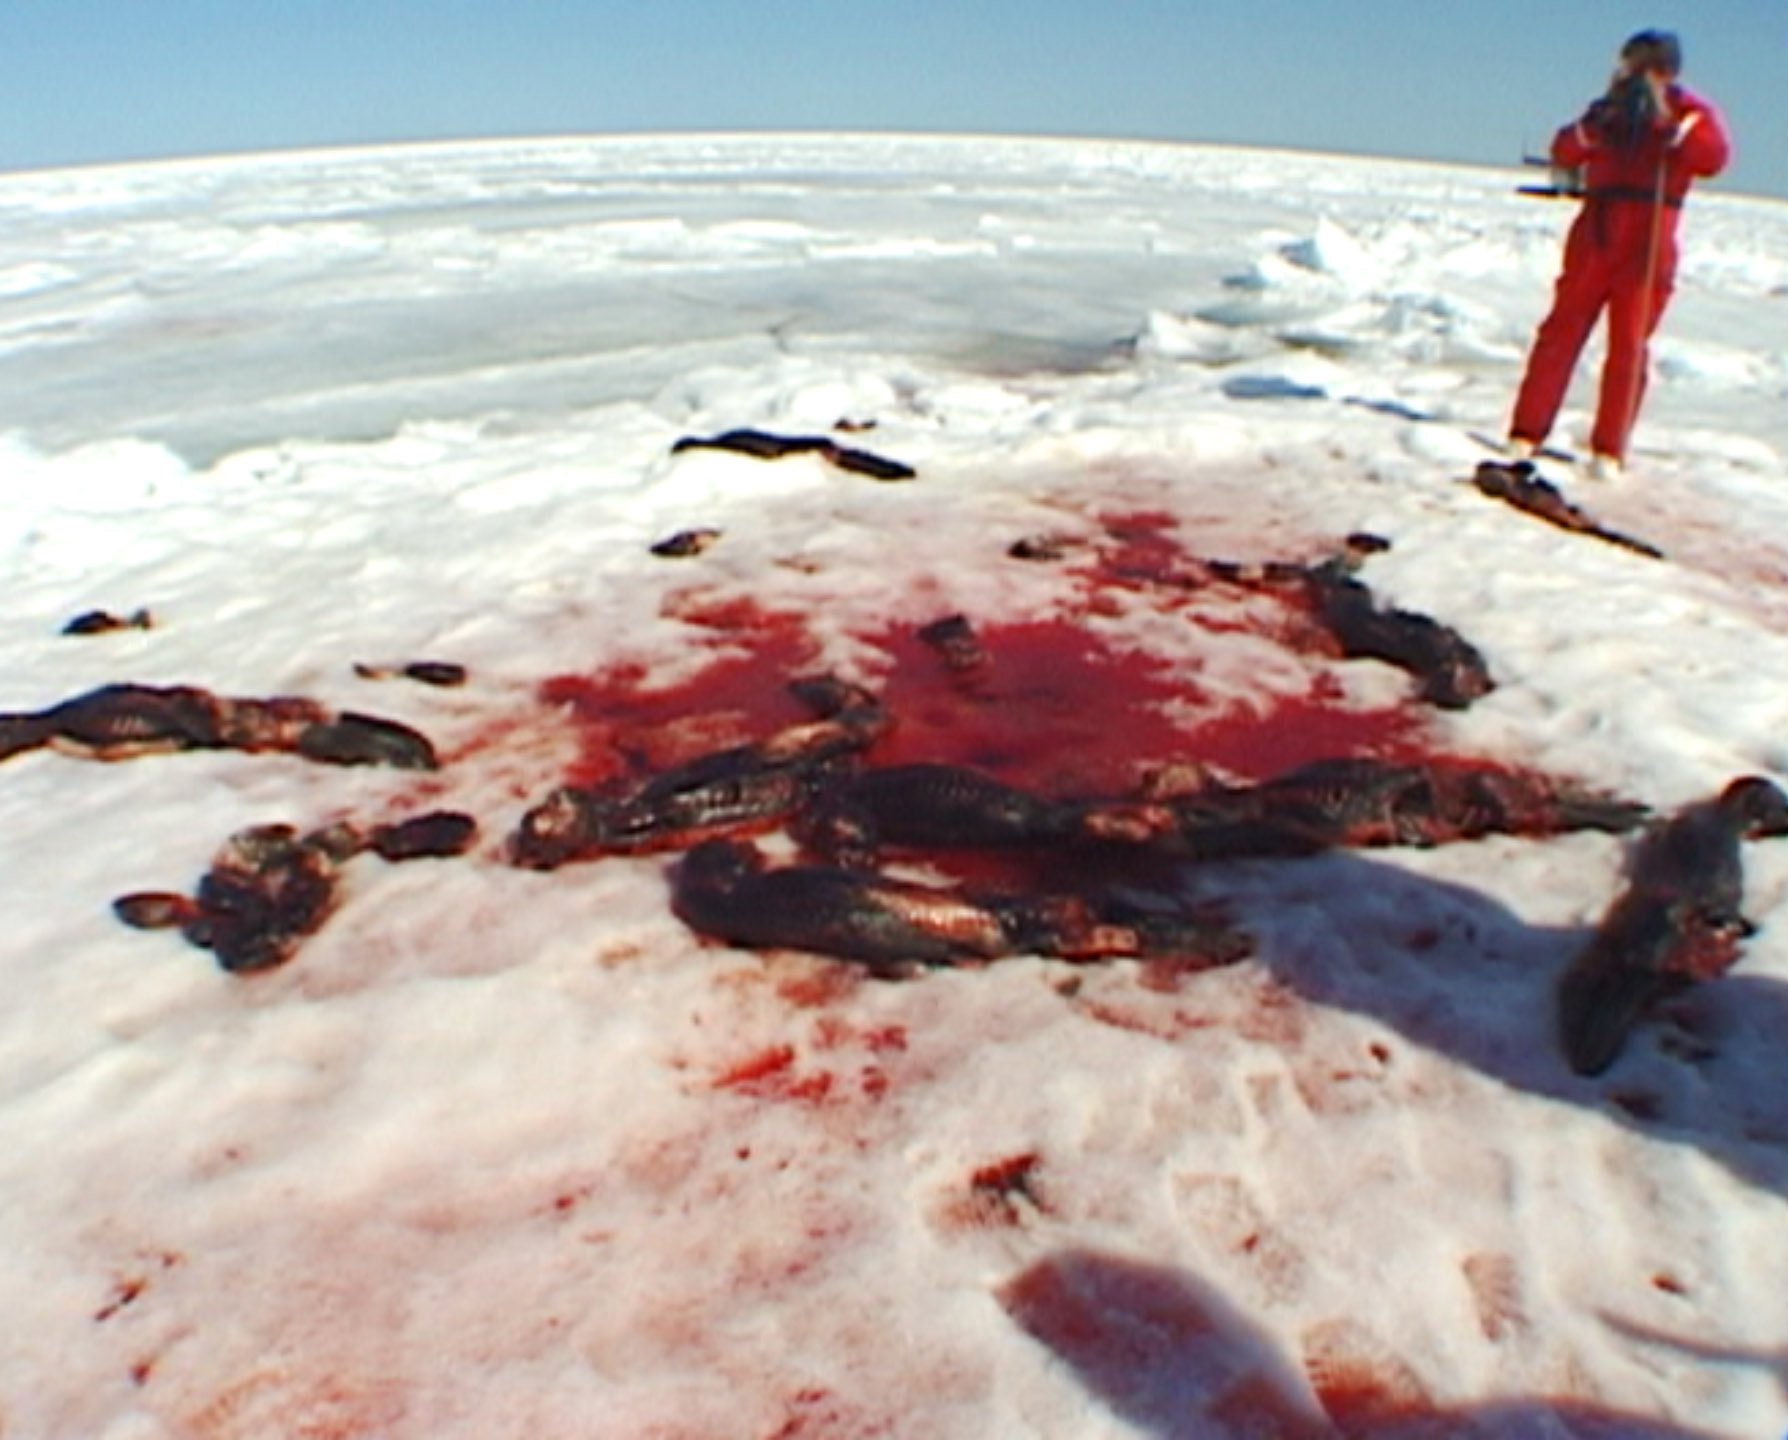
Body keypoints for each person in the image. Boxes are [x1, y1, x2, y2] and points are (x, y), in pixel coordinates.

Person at [1507, 30, 1731, 479]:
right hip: (1597, 235)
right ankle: (1526, 432)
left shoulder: (1690, 114)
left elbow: (1713, 157)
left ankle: (1608, 449)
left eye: (1640, 64)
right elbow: (1565, 149)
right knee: (1560, 332)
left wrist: (1668, 125)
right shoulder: (1605, 109)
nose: (1630, 73)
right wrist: (1597, 125)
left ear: (1664, 70)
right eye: (1627, 63)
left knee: (1628, 343)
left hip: (1647, 241)